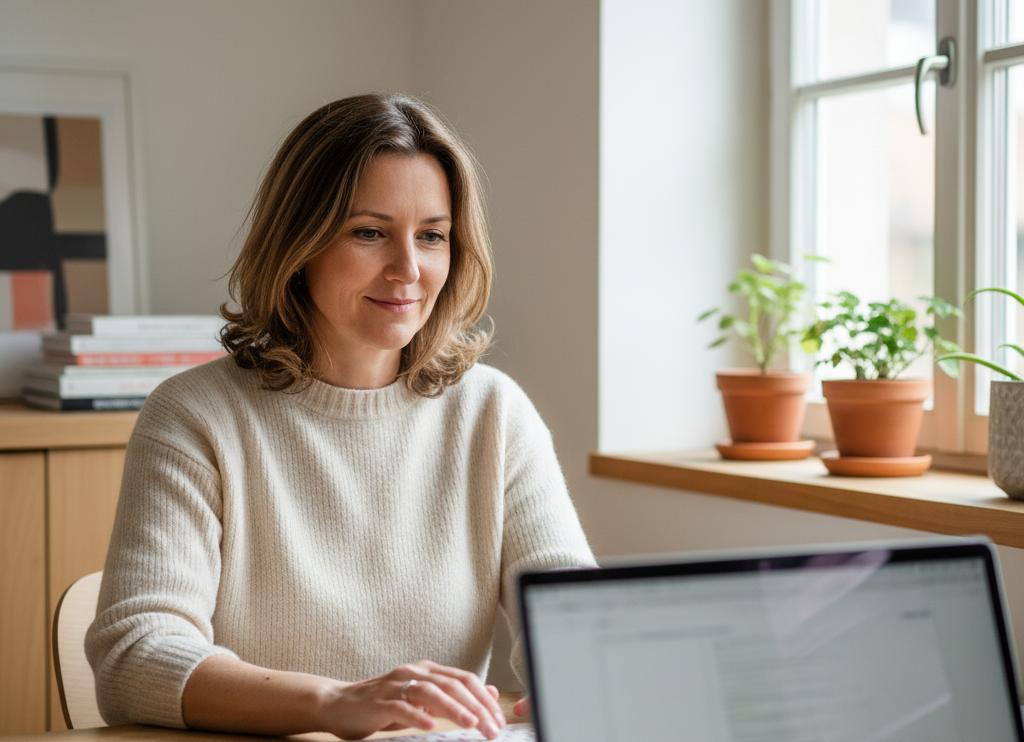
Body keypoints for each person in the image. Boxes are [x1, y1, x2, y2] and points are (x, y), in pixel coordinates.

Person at [85, 92, 596, 740]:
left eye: (432, 236)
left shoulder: (494, 413)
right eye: (369, 233)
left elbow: (578, 626)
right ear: (300, 242)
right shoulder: (194, 416)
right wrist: (334, 703)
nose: (408, 270)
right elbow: (134, 657)